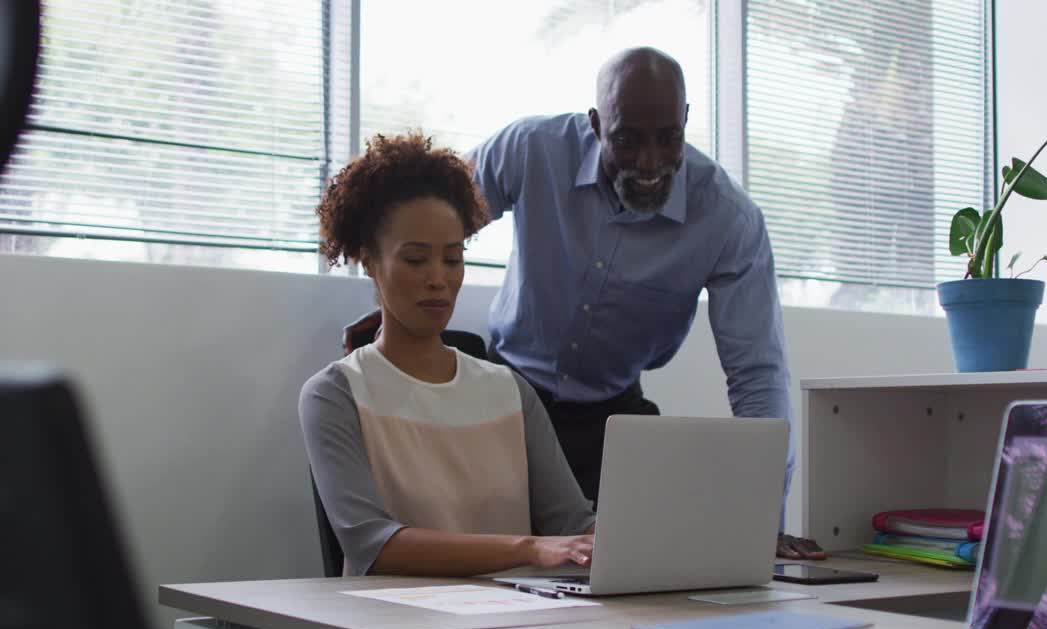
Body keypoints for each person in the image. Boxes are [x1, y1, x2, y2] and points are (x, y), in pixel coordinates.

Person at [349, 47, 822, 561]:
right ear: (596, 124)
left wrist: (762, 521)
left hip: (612, 418)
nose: (649, 162)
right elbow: (428, 221)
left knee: (636, 568)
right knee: (489, 564)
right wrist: (394, 305)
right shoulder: (531, 149)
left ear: (685, 121)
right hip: (505, 401)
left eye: (667, 138)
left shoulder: (728, 218)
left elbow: (758, 376)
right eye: (627, 139)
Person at [301, 132, 597, 579]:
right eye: (416, 260)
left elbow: (574, 526)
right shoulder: (335, 395)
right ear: (368, 261)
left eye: (453, 259)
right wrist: (528, 549)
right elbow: (372, 545)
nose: (439, 279)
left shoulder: (509, 390)